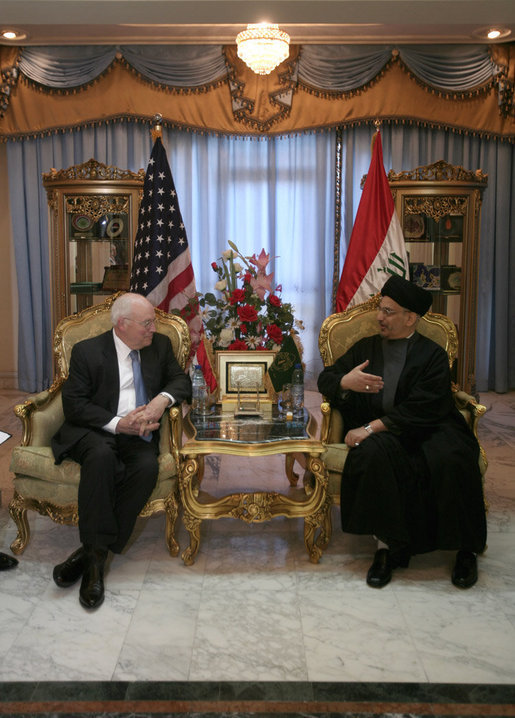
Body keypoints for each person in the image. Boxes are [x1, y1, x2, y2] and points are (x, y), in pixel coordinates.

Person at [318, 274, 487, 589]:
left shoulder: (432, 355)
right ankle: (387, 548)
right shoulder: (366, 347)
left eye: (388, 312)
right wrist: (345, 382)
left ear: (411, 318)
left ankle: (465, 549)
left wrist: (369, 427)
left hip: (432, 426)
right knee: (371, 458)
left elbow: (425, 407)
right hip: (387, 433)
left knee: (453, 458)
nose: (379, 317)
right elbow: (325, 378)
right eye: (380, 309)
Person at [51, 293, 191, 609]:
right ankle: (95, 569)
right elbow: (74, 405)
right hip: (97, 429)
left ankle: (90, 554)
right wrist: (117, 424)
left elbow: (181, 381)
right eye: (146, 323)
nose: (153, 328)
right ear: (122, 325)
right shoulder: (87, 351)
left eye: (153, 322)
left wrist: (161, 400)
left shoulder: (160, 346)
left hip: (139, 433)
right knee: (100, 458)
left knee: (146, 469)